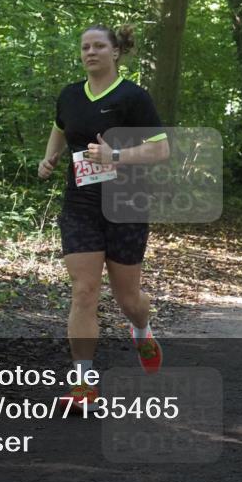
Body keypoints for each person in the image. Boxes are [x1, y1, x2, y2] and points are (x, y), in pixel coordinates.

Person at [39, 24, 169, 411]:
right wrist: (50, 157)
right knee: (84, 291)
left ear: (116, 52)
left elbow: (160, 150)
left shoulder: (133, 97)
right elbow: (60, 128)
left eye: (98, 46)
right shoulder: (70, 95)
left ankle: (141, 329)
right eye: (84, 47)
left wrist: (116, 157)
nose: (90, 52)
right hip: (80, 206)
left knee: (129, 298)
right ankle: (84, 385)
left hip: (125, 204)